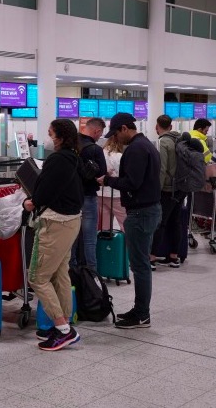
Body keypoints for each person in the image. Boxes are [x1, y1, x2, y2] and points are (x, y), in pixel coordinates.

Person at [23, 118, 84, 351]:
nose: (48, 138)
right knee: (59, 273)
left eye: (50, 133)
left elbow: (44, 191)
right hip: (71, 221)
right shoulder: (74, 157)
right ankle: (64, 323)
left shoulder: (57, 159)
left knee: (37, 277)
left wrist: (31, 203)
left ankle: (63, 329)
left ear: (60, 137)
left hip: (55, 223)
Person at [97, 112, 161, 330]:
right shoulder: (147, 145)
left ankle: (142, 315)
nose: (115, 138)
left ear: (124, 128)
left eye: (116, 134)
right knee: (141, 264)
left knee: (140, 266)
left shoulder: (135, 149)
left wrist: (108, 180)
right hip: (148, 210)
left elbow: (132, 183)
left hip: (140, 213)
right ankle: (139, 310)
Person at [70, 117, 107, 270]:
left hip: (72, 198)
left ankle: (71, 271)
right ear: (96, 131)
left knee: (71, 237)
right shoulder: (95, 149)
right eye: (101, 133)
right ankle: (92, 273)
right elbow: (102, 174)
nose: (100, 137)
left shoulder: (71, 145)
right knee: (90, 239)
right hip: (88, 196)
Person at [150, 115, 185, 270]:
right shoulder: (179, 140)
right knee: (175, 222)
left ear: (157, 127)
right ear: (171, 126)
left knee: (160, 223)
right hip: (181, 188)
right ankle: (174, 257)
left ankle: (151, 258)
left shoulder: (163, 142)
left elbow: (162, 169)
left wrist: (156, 190)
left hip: (167, 189)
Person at [99, 136, 126, 231]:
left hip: (100, 194)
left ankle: (105, 241)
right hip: (116, 195)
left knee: (104, 227)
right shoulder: (119, 156)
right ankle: (127, 241)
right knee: (125, 224)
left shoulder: (100, 154)